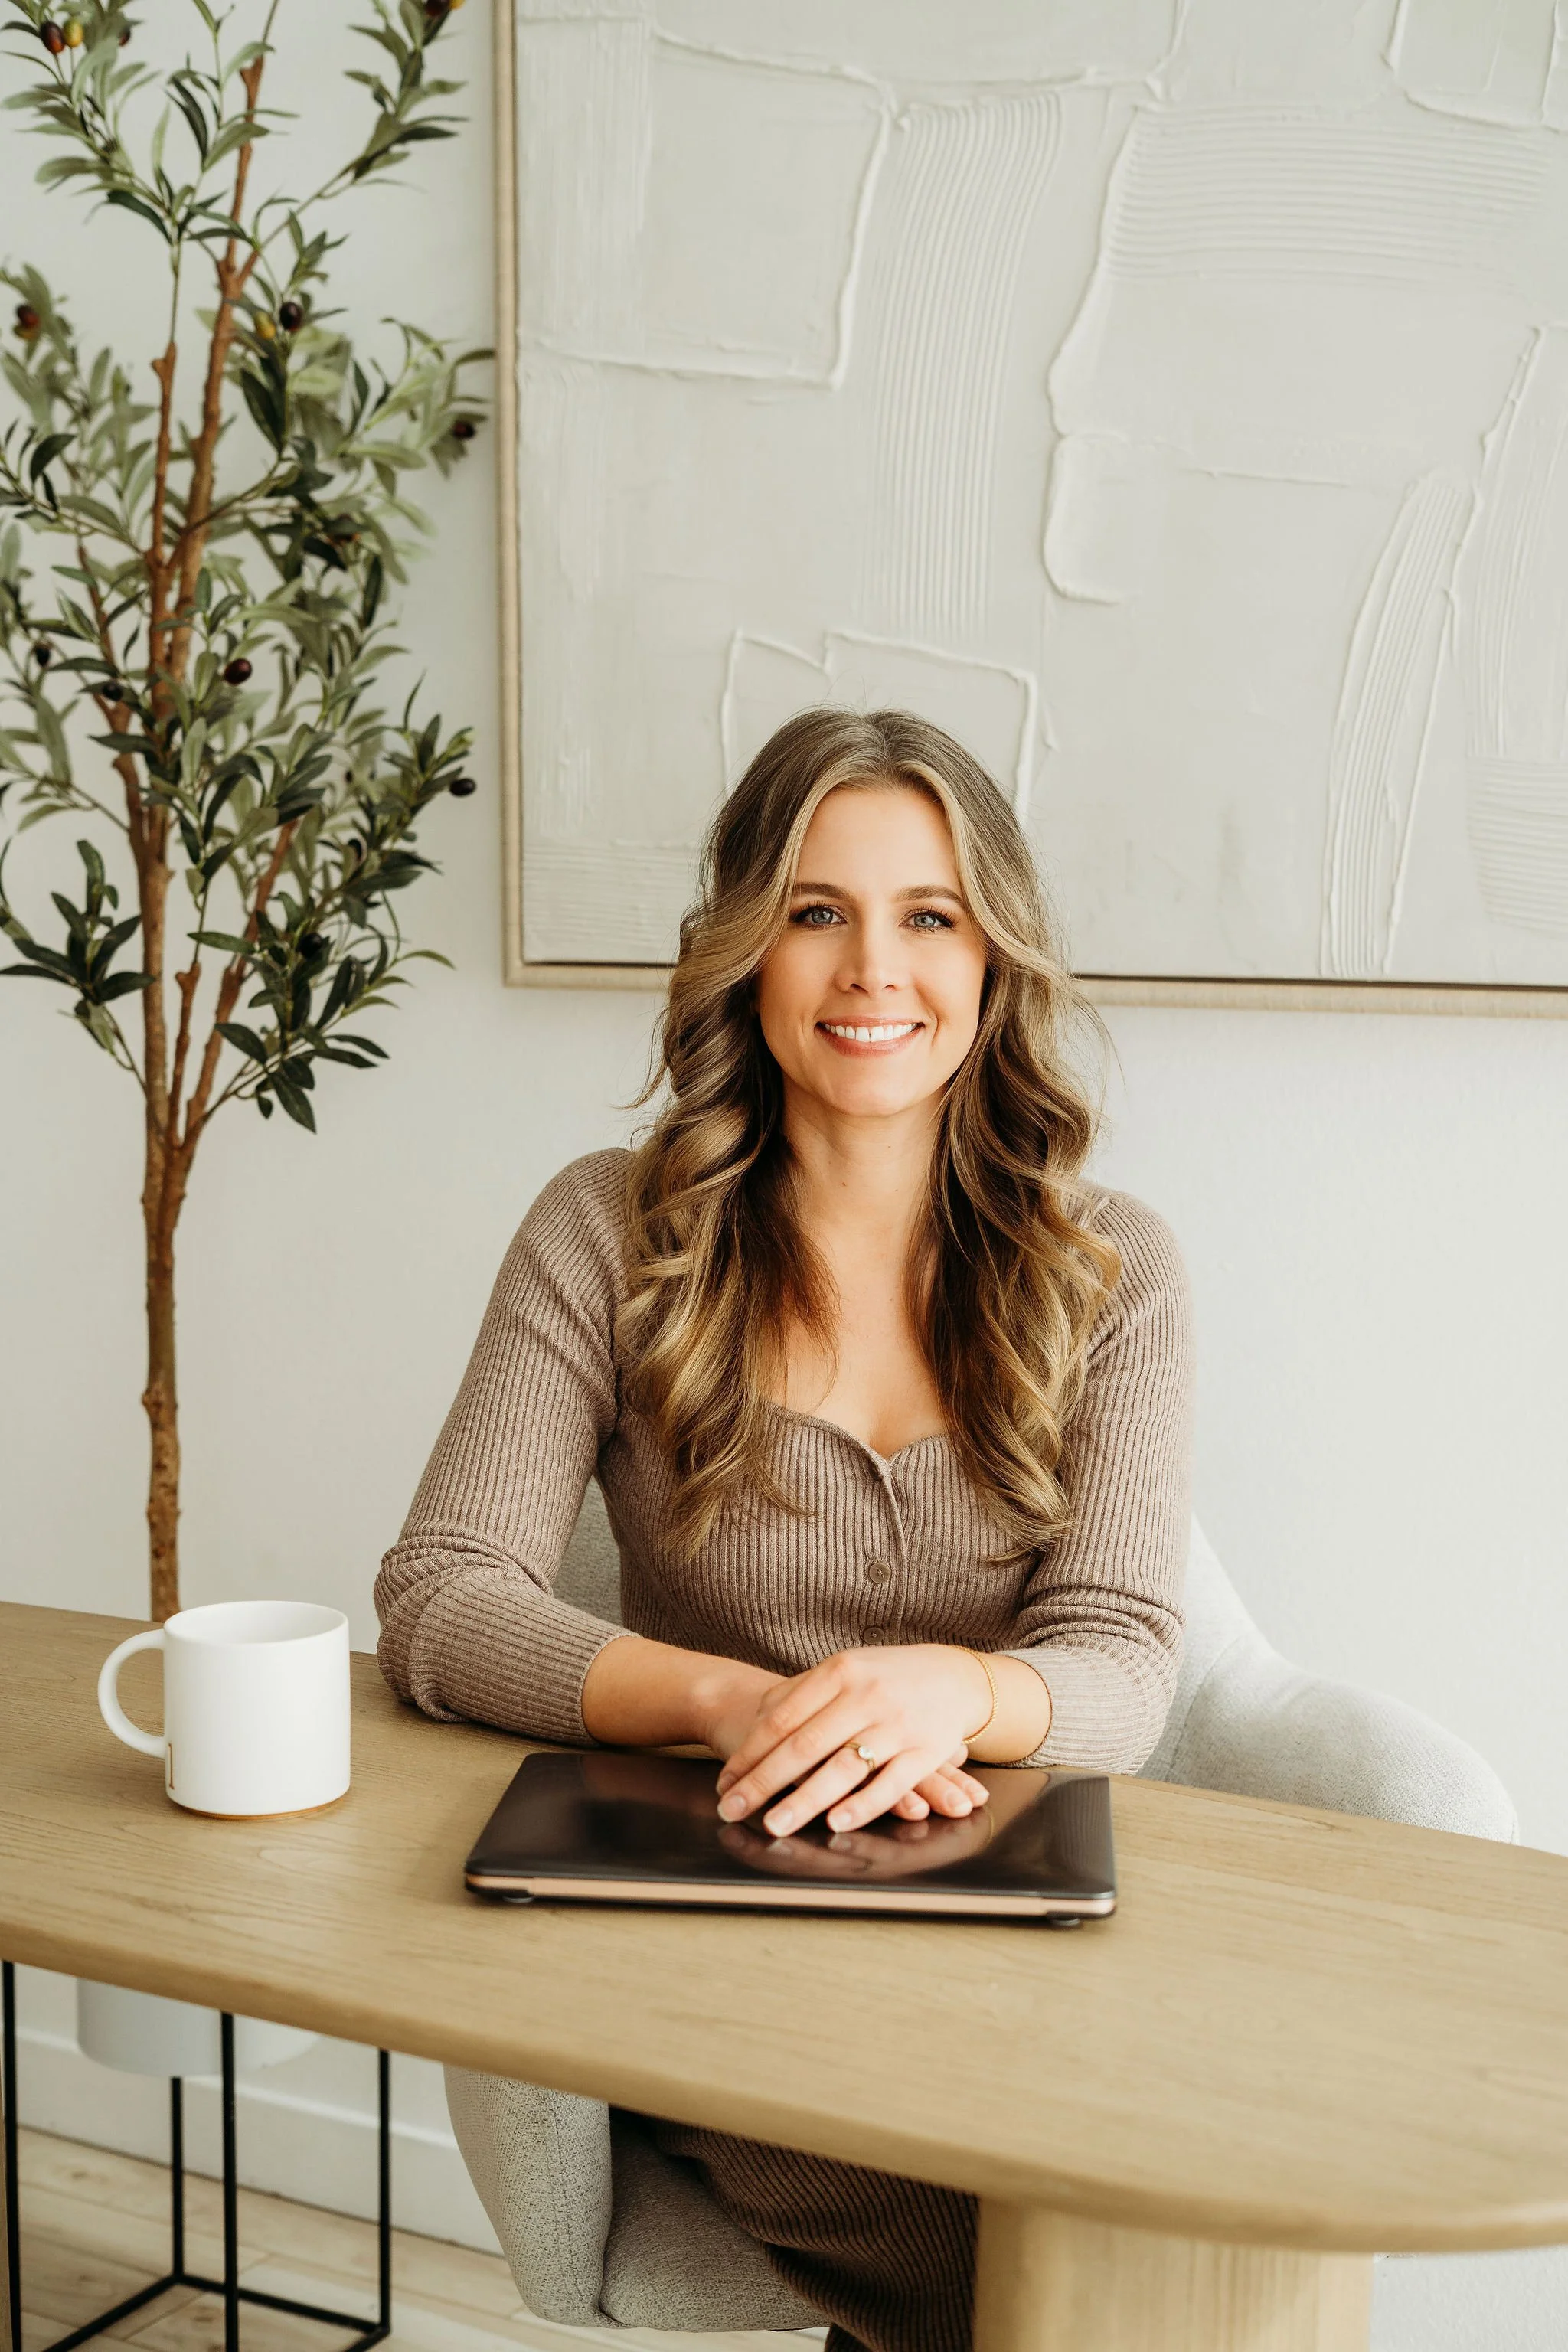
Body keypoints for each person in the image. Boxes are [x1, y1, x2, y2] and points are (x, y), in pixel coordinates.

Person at [376, 707, 1195, 2352]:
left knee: (1166, 2203)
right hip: (716, 1933)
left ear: (992, 959)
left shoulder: (1113, 1268)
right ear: (745, 950)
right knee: (1028, 2274)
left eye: (927, 916)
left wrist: (954, 1693)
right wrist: (732, 1703)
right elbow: (438, 1600)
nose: (869, 969)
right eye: (817, 912)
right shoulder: (607, 1233)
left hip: (1004, 1933)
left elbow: (1123, 1663)